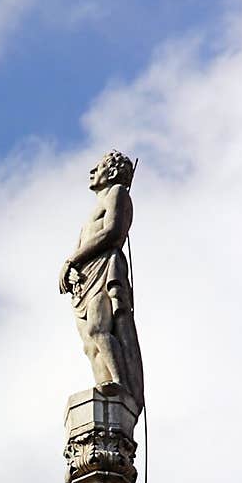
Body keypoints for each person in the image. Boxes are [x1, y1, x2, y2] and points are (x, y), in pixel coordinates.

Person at [59, 152, 144, 411]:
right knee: (89, 344)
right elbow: (84, 243)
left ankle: (119, 383)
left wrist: (72, 259)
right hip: (85, 277)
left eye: (98, 166)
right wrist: (70, 267)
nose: (92, 170)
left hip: (105, 269)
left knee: (99, 328)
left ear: (112, 170)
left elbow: (112, 231)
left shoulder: (117, 193)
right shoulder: (92, 212)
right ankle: (104, 383)